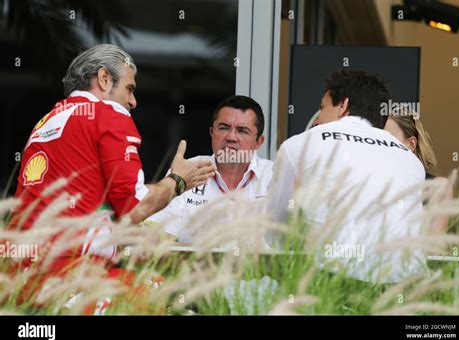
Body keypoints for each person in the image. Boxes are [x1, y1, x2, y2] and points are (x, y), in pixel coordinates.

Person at [8, 44, 215, 273]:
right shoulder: (108, 113)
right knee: (156, 300)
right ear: (104, 78)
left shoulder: (46, 120)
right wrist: (178, 180)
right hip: (71, 271)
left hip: (18, 271)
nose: (133, 101)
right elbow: (133, 205)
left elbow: (81, 205)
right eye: (129, 89)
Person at [267, 69, 427, 283]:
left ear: (343, 105)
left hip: (332, 283)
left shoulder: (299, 144)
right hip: (404, 286)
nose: (317, 121)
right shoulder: (411, 160)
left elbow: (275, 229)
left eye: (322, 108)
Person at [147, 95, 273, 243]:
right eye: (224, 128)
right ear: (212, 133)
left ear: (259, 142)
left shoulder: (275, 175)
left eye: (242, 131)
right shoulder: (186, 170)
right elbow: (158, 235)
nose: (231, 137)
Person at [384, 111, 452, 234]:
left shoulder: (437, 186)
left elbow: (433, 245)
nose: (382, 144)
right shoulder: (375, 182)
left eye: (389, 139)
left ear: (411, 144)